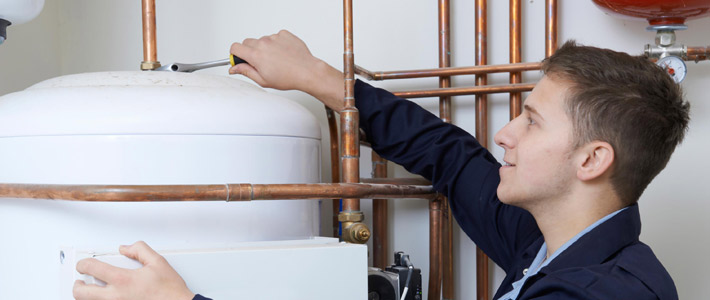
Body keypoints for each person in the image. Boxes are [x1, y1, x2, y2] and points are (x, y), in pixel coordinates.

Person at [73, 30, 689, 300]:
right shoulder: (549, 244)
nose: (505, 133)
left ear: (592, 159)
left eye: (531, 119)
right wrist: (321, 81)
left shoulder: (596, 295)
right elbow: (450, 156)